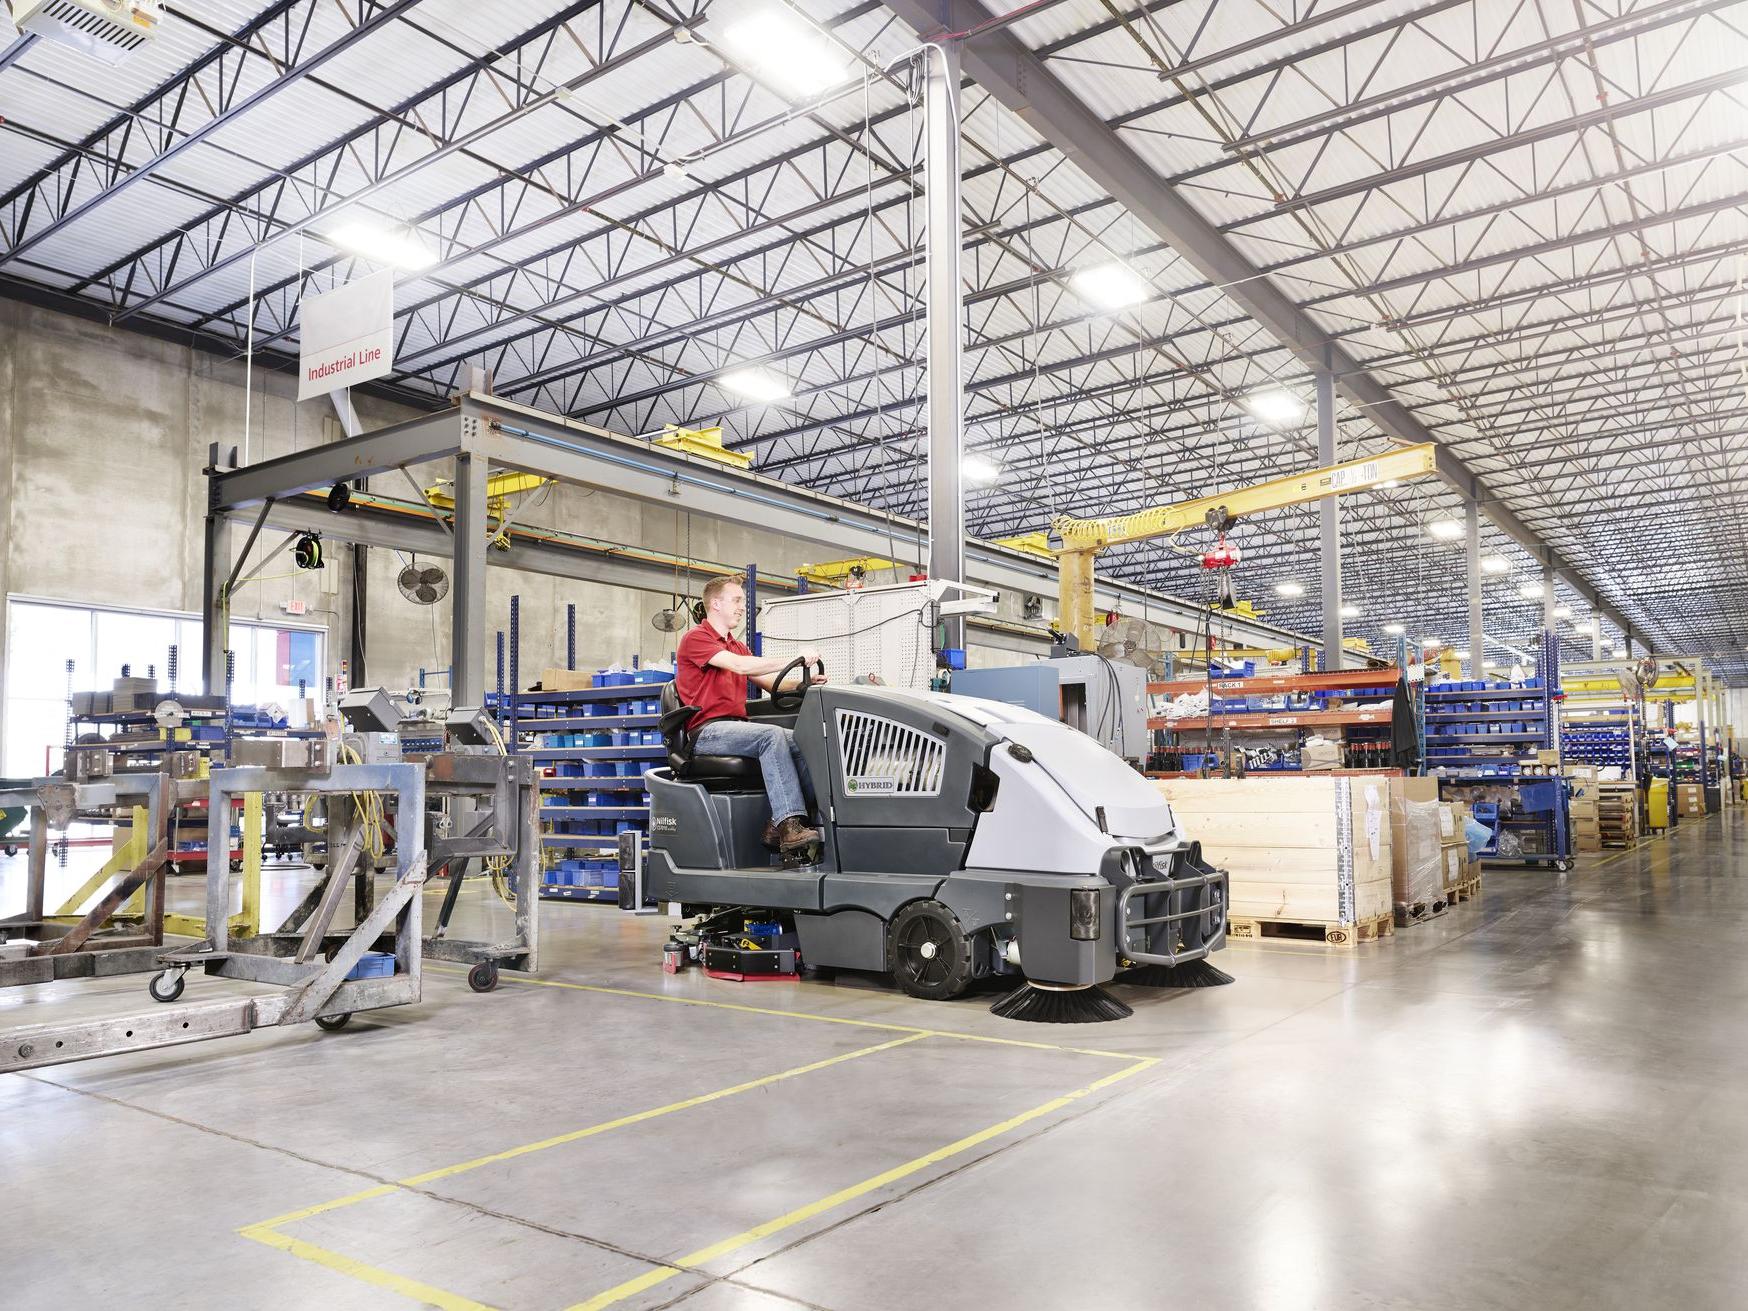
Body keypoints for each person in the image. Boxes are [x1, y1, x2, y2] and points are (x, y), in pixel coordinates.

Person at [675, 575, 826, 854]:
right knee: (770, 736)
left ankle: (783, 821)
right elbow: (740, 667)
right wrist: (795, 657)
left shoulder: (736, 644)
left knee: (804, 740)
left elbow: (770, 682)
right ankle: (789, 825)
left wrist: (804, 684)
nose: (742, 607)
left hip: (735, 728)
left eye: (743, 601)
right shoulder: (696, 639)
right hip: (707, 732)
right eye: (736, 600)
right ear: (716, 603)